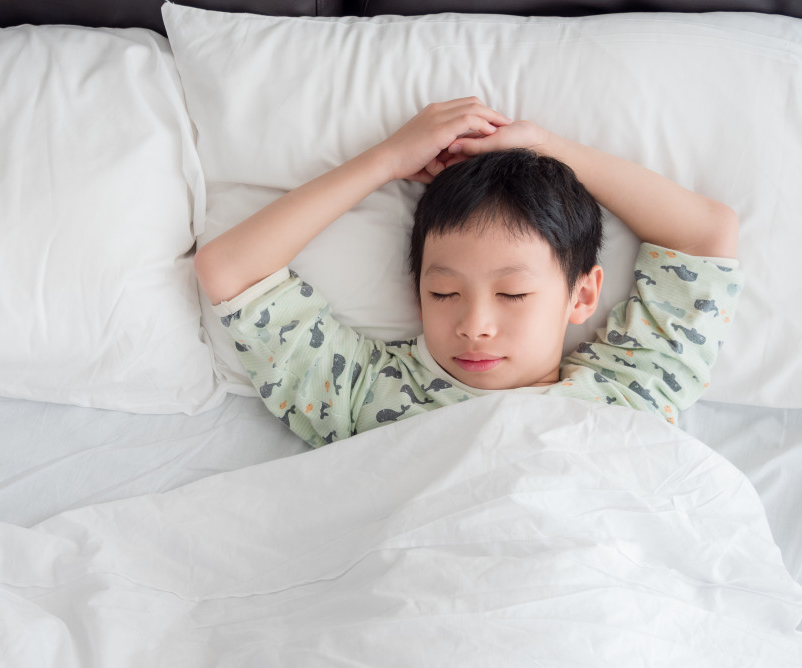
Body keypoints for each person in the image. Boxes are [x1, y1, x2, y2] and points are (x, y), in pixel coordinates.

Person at [194, 97, 742, 448]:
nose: (475, 324)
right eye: (445, 291)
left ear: (581, 295)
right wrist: (386, 160)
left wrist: (545, 147)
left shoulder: (631, 391)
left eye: (514, 293)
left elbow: (706, 236)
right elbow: (231, 267)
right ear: (417, 293)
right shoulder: (368, 395)